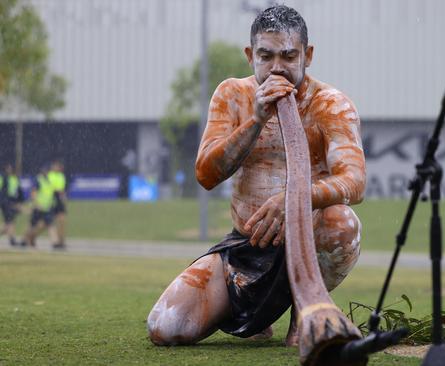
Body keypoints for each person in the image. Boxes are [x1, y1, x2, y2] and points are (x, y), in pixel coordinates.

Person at [147, 5, 366, 347]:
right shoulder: (232, 94)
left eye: (288, 56)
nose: (277, 67)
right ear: (250, 55)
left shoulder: (330, 104)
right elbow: (205, 174)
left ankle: (305, 311)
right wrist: (256, 119)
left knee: (342, 221)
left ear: (307, 55)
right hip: (247, 243)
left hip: (307, 239)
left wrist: (294, 200)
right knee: (168, 326)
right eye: (266, 56)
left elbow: (354, 181)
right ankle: (257, 314)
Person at [21, 165, 59, 249]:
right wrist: (36, 204)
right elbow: (33, 193)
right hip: (38, 207)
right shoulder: (38, 180)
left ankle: (55, 243)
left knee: (51, 224)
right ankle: (24, 240)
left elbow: (49, 194)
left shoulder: (49, 181)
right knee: (32, 225)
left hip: (46, 207)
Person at [1, 163, 24, 246]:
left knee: (9, 222)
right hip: (5, 203)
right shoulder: (3, 178)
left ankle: (12, 239)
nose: (9, 170)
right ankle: (12, 240)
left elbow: (19, 192)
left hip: (12, 203)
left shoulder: (15, 179)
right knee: (10, 220)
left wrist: (20, 202)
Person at [48, 159, 67, 249]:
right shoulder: (49, 175)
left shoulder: (61, 176)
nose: (57, 168)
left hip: (59, 199)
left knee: (62, 221)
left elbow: (62, 189)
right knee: (51, 221)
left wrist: (63, 198)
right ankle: (55, 240)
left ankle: (61, 241)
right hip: (52, 199)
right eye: (55, 166)